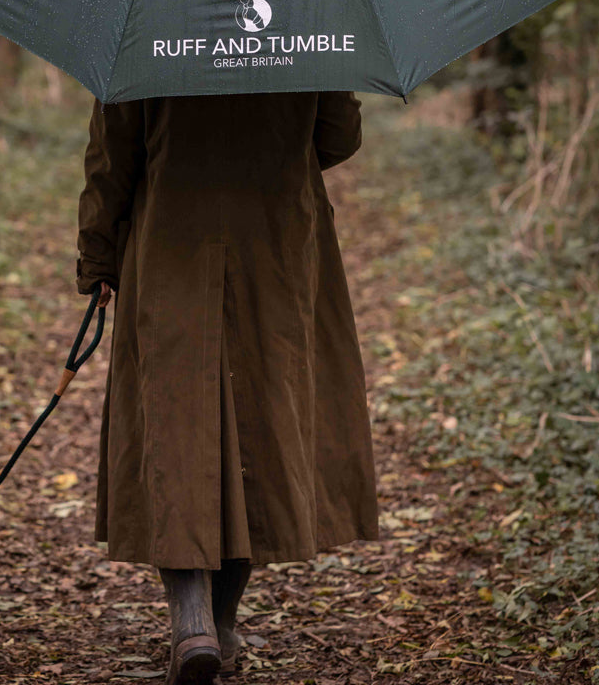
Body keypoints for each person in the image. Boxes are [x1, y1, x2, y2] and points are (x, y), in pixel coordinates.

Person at [76, 92, 378, 685]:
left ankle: (194, 624)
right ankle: (221, 621)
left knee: (174, 421)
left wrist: (98, 257)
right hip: (277, 241)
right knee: (259, 422)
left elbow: (113, 155)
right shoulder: (305, 19)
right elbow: (339, 136)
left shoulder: (147, 24)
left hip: (170, 241)